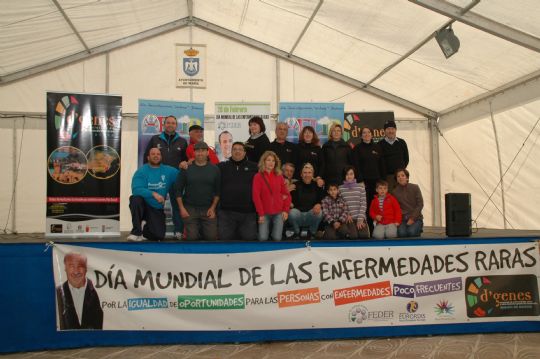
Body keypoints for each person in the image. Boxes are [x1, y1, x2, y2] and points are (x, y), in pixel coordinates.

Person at [143, 115, 187, 239]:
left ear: (176, 125)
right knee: (153, 203)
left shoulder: (182, 141)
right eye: (168, 123)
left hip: (175, 179)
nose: (170, 125)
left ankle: (178, 230)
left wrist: (184, 165)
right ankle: (150, 229)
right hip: (157, 179)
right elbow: (147, 158)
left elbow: (186, 161)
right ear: (164, 124)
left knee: (177, 204)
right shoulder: (154, 139)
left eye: (173, 123)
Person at [128, 147, 178, 241]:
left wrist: (186, 165)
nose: (156, 156)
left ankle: (144, 226)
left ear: (161, 157)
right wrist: (154, 194)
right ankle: (136, 232)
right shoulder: (141, 171)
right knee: (135, 199)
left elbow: (182, 178)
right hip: (144, 205)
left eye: (158, 154)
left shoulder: (169, 171)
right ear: (148, 157)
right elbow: (136, 189)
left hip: (156, 208)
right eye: (153, 154)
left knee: (158, 236)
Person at [176, 142, 220, 240]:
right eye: (197, 151)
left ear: (208, 153)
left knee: (211, 237)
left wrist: (213, 208)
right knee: (191, 238)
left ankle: (201, 230)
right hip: (190, 209)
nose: (200, 153)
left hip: (208, 209)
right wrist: (182, 209)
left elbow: (218, 192)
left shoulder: (215, 169)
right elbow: (178, 190)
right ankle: (195, 231)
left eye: (203, 151)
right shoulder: (186, 168)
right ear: (194, 153)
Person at [218, 142, 258, 240]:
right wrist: (189, 163)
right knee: (224, 239)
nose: (237, 151)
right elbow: (205, 166)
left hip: (248, 212)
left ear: (245, 153)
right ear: (231, 152)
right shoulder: (221, 167)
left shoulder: (255, 167)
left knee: (250, 238)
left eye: (240, 149)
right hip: (226, 212)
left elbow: (270, 171)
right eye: (235, 149)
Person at [56, 252, 103, 330]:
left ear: (86, 269)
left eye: (80, 266)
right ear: (65, 268)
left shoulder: (98, 292)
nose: (76, 271)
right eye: (71, 266)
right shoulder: (56, 294)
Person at [352, 127, 385, 233]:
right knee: (365, 206)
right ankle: (367, 228)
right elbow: (355, 165)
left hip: (376, 183)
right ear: (361, 136)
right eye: (364, 133)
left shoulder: (378, 147)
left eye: (368, 132)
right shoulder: (357, 148)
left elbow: (382, 165)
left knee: (376, 205)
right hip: (363, 183)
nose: (366, 134)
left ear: (372, 135)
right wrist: (360, 180)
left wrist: (382, 182)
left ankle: (378, 228)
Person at [252, 150, 291, 241]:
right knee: (262, 238)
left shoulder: (279, 176)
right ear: (264, 161)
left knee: (277, 238)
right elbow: (256, 197)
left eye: (273, 161)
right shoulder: (258, 176)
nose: (271, 163)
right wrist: (261, 214)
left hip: (278, 212)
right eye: (268, 160)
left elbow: (287, 195)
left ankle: (273, 234)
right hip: (264, 212)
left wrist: (285, 210)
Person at [288, 163, 324, 239]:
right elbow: (289, 200)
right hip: (299, 214)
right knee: (291, 213)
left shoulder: (317, 185)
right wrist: (289, 199)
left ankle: (312, 233)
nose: (307, 175)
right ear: (301, 174)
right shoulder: (294, 185)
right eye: (305, 173)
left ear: (312, 174)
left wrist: (319, 204)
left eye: (309, 173)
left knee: (320, 212)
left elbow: (321, 199)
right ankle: (297, 232)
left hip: (311, 214)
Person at [339, 166, 370, 238]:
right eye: (347, 174)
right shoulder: (340, 188)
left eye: (351, 174)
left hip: (360, 217)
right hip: (349, 218)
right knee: (354, 236)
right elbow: (340, 204)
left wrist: (360, 219)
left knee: (364, 236)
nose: (349, 176)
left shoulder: (361, 187)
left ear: (354, 175)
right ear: (344, 176)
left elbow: (363, 204)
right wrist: (346, 214)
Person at [393, 168, 424, 237]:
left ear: (407, 178)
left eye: (402, 175)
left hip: (416, 218)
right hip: (402, 219)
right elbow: (395, 208)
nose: (400, 177)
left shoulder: (415, 187)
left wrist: (412, 218)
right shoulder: (394, 192)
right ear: (397, 179)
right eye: (398, 176)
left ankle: (419, 228)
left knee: (411, 232)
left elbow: (420, 204)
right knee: (401, 234)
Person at [379, 120, 409, 189]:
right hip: (388, 177)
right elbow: (379, 162)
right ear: (384, 131)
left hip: (401, 176)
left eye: (392, 129)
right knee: (390, 197)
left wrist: (401, 173)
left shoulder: (402, 142)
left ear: (395, 130)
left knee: (402, 197)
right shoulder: (380, 144)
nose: (390, 131)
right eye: (388, 129)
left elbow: (406, 159)